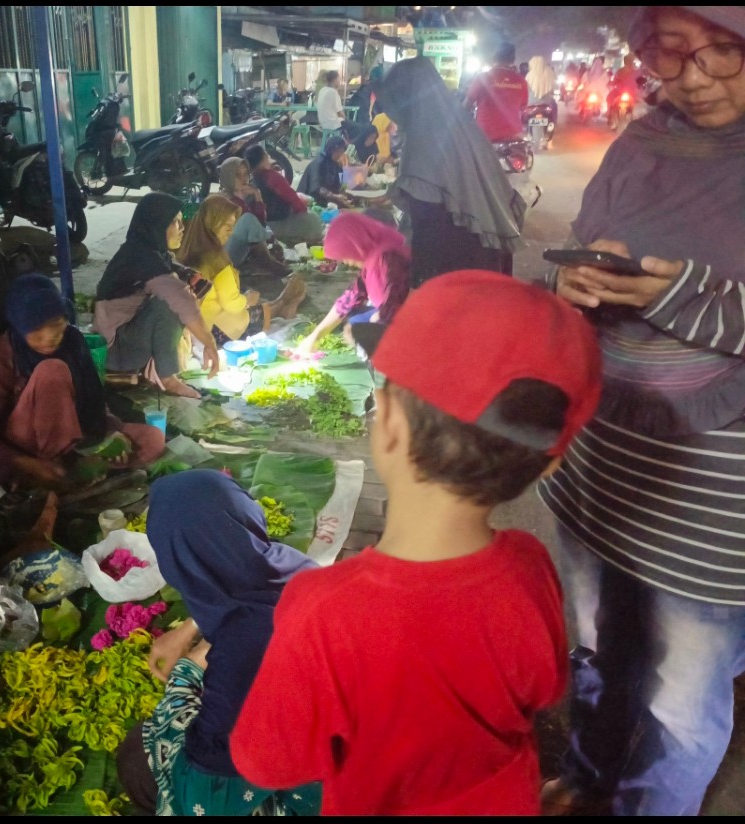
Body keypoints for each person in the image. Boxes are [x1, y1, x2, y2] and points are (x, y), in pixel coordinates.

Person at [229, 271, 604, 815]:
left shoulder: (322, 610)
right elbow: (545, 687)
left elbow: (268, 763)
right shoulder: (530, 563)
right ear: (552, 465)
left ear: (388, 427)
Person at [535, 6, 745, 816]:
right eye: (673, 53)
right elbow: (592, 234)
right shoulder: (645, 139)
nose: (694, 78)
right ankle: (588, 774)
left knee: (681, 700)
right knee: (597, 649)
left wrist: (685, 297)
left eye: (724, 52)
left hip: (712, 495)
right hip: (603, 463)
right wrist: (577, 282)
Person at [115, 469, 322, 816]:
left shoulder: (243, 648)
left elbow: (209, 796)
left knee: (137, 757)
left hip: (332, 783)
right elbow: (243, 600)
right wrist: (187, 631)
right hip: (355, 729)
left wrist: (185, 673)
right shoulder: (289, 565)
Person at [0, 274, 166, 492]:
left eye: (55, 324)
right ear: (20, 327)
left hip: (78, 436)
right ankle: (54, 471)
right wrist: (31, 464)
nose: (49, 336)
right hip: (27, 448)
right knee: (52, 371)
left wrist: (112, 431)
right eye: (36, 330)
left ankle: (75, 471)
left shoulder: (73, 341)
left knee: (153, 439)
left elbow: (94, 398)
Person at [375, 56, 526, 284]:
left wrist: (418, 286)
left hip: (457, 266)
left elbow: (427, 226)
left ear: (404, 100)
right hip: (489, 255)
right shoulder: (463, 126)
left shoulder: (422, 141)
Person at [94, 193, 220, 399]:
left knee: (179, 290)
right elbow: (180, 299)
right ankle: (167, 378)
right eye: (174, 222)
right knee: (171, 303)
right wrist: (209, 342)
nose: (182, 228)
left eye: (181, 221)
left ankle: (158, 367)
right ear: (155, 224)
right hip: (116, 350)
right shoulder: (141, 258)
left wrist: (187, 274)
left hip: (129, 336)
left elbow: (169, 269)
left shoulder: (144, 249)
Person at [177, 194, 305, 345]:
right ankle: (284, 302)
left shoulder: (186, 250)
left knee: (259, 305)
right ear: (213, 224)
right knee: (255, 309)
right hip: (216, 331)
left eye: (232, 227)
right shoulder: (216, 260)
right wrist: (246, 299)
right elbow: (231, 304)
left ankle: (282, 302)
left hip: (197, 325)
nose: (231, 232)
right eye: (227, 227)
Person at [295, 212, 410, 355]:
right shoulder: (375, 250)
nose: (347, 262)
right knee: (355, 318)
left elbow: (394, 306)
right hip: (395, 312)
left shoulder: (386, 259)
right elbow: (352, 296)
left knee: (359, 330)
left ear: (355, 245)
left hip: (413, 320)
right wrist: (316, 335)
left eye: (345, 256)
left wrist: (374, 324)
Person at [216, 157, 290, 278]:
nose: (243, 179)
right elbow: (256, 223)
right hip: (223, 258)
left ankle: (264, 260)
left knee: (257, 224)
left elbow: (260, 223)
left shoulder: (240, 196)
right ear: (228, 176)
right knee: (248, 219)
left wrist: (257, 194)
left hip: (236, 254)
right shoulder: (224, 199)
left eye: (245, 174)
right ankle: (267, 262)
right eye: (237, 175)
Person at [245, 144, 323, 247]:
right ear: (264, 157)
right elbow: (294, 199)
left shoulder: (250, 179)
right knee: (314, 220)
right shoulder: (272, 177)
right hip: (278, 224)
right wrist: (304, 213)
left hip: (259, 226)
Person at [464, 42, 528, 142]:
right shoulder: (521, 81)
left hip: (485, 135)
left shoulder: (482, 78)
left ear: (494, 57)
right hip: (513, 135)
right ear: (513, 59)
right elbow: (523, 107)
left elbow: (467, 104)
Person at [296, 136, 355, 209]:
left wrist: (343, 194)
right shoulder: (318, 163)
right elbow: (316, 189)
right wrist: (335, 197)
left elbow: (341, 184)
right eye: (338, 152)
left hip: (326, 198)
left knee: (353, 199)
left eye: (341, 152)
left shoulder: (336, 164)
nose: (339, 155)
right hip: (309, 199)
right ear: (331, 150)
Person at [526, 55, 560, 138]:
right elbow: (555, 86)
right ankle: (553, 125)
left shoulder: (529, 75)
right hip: (547, 102)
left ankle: (527, 130)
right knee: (554, 109)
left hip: (531, 103)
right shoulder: (549, 72)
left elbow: (525, 88)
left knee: (523, 113)